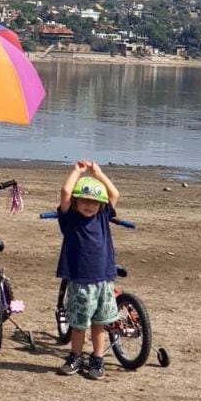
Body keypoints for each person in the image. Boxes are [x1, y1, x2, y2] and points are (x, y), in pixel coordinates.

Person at [56, 159, 120, 380]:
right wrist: (77, 172)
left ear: (100, 205)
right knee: (78, 324)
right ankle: (75, 356)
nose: (89, 205)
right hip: (80, 280)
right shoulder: (70, 219)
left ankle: (97, 358)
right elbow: (65, 192)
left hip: (103, 279)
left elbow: (114, 194)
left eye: (94, 201)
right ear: (76, 202)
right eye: (84, 200)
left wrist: (99, 173)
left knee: (99, 324)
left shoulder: (103, 216)